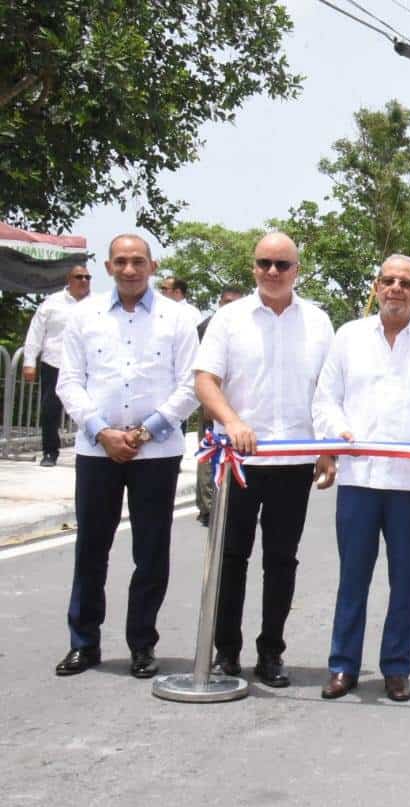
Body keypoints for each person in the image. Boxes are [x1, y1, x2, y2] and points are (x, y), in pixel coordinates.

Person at [312, 255, 410, 702]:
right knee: (352, 577)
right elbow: (326, 399)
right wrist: (337, 436)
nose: (396, 288)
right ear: (376, 287)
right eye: (388, 281)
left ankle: (397, 668)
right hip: (359, 478)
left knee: (405, 580)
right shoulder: (349, 337)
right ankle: (343, 666)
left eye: (406, 283)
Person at [194, 232, 336, 688]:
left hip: (293, 462)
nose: (272, 272)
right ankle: (225, 652)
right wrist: (232, 421)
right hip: (238, 461)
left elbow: (329, 392)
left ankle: (271, 651)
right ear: (253, 267)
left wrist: (327, 449)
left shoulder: (318, 322)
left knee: (281, 560)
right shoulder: (229, 319)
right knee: (230, 558)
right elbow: (206, 381)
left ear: (297, 270)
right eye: (264, 263)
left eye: (282, 264)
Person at [52, 235, 199, 678]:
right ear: (108, 266)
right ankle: (84, 642)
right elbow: (69, 382)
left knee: (151, 552)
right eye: (121, 261)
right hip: (98, 450)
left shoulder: (178, 319)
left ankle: (142, 644)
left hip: (156, 453)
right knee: (91, 548)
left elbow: (191, 384)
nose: (130, 269)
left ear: (153, 266)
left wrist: (144, 431)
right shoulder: (84, 316)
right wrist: (102, 431)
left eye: (138, 262)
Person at [22, 265, 93, 466]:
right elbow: (36, 332)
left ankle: (88, 452)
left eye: (88, 277)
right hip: (54, 363)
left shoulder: (98, 304)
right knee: (50, 410)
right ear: (69, 280)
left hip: (85, 366)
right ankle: (50, 453)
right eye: (79, 277)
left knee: (88, 410)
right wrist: (29, 362)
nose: (84, 281)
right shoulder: (51, 303)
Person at [194, 287, 245, 526]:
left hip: (235, 410)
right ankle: (209, 507)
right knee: (209, 457)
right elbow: (200, 370)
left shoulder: (246, 327)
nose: (229, 307)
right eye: (226, 302)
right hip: (211, 406)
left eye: (235, 303)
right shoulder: (207, 327)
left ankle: (227, 506)